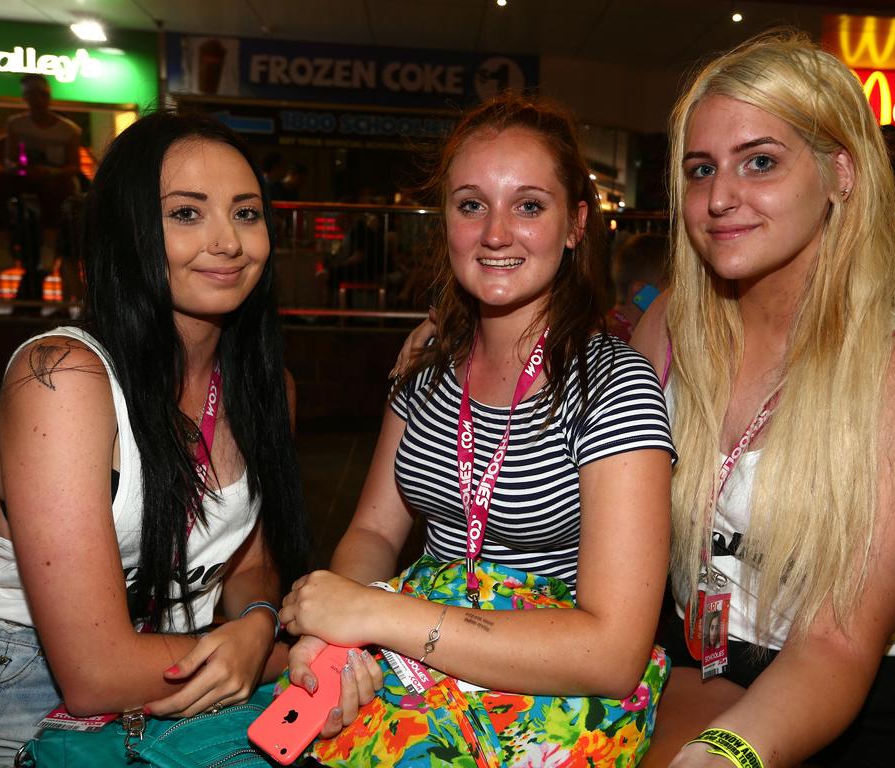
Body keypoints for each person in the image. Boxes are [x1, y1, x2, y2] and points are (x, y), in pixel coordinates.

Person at [279, 93, 676, 765]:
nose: (496, 233)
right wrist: (334, 644)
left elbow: (610, 655)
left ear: (575, 223)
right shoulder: (426, 369)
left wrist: (374, 615)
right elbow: (376, 532)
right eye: (471, 205)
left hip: (553, 692)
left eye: (528, 205)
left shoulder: (615, 386)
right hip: (419, 663)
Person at [0, 112, 309, 766]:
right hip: (12, 682)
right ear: (128, 230)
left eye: (246, 214)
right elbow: (93, 671)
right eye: (187, 213)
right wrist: (280, 653)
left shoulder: (269, 389)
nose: (227, 242)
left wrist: (257, 622)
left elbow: (253, 563)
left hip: (180, 675)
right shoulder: (62, 378)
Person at [630, 32, 895, 767]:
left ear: (842, 173)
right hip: (692, 662)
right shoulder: (673, 326)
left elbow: (836, 645)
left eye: (759, 161)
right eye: (701, 169)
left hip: (860, 699)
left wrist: (718, 754)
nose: (720, 197)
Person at [0, 74, 82, 277]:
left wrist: (50, 172)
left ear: (48, 97)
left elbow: (74, 166)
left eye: (40, 95)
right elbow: (10, 159)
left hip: (55, 179)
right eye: (31, 95)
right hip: (27, 176)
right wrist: (23, 169)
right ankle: (2, 249)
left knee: (53, 192)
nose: (36, 100)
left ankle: (48, 247)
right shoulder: (16, 124)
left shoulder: (68, 130)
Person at [608, 232, 669, 341]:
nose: (672, 296)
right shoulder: (615, 337)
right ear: (640, 289)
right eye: (667, 286)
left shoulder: (629, 330)